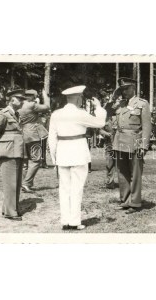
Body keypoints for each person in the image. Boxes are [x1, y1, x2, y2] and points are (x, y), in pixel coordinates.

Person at [48, 85, 106, 230]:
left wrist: (54, 157)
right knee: (76, 188)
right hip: (78, 152)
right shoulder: (80, 113)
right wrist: (99, 107)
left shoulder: (56, 114)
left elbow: (52, 138)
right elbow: (100, 123)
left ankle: (65, 221)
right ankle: (74, 221)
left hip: (62, 152)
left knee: (64, 188)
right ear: (79, 98)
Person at [112, 77, 152, 214]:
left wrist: (144, 145)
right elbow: (108, 113)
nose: (124, 91)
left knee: (135, 173)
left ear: (133, 88)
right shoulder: (120, 104)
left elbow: (146, 126)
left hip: (135, 142)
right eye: (122, 89)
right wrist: (114, 98)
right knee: (122, 172)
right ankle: (125, 200)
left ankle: (135, 202)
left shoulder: (142, 103)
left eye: (126, 88)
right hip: (119, 141)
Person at [0, 89, 26, 221]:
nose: (22, 102)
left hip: (17, 150)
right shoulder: (3, 114)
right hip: (8, 151)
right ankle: (11, 212)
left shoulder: (16, 114)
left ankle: (9, 209)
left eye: (23, 99)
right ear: (11, 99)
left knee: (16, 182)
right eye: (19, 99)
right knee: (10, 182)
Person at [18, 89, 50, 193]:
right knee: (36, 160)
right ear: (33, 96)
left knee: (25, 162)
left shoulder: (19, 105)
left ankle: (24, 183)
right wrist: (45, 96)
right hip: (32, 135)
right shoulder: (31, 105)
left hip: (22, 133)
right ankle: (26, 183)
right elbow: (47, 107)